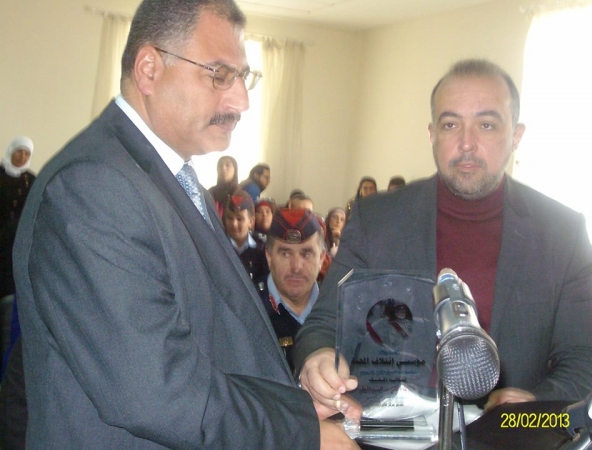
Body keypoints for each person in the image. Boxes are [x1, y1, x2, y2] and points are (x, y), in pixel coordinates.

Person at [13, 0, 359, 448]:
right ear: (149, 70)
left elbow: (217, 338)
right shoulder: (93, 186)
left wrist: (294, 405)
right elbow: (155, 389)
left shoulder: (169, 172)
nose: (242, 100)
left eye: (244, 77)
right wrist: (301, 433)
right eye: (220, 74)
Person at [294, 59, 592, 418]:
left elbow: (585, 357)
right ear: (432, 134)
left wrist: (536, 405)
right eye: (451, 124)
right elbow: (324, 325)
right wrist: (317, 359)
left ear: (516, 137)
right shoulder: (375, 219)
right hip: (384, 434)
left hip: (504, 437)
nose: (466, 143)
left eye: (486, 125)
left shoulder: (562, 233)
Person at [256, 208, 326, 373]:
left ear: (321, 259)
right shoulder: (248, 307)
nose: (296, 267)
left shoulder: (337, 308)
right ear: (269, 257)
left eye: (306, 254)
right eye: (286, 254)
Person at [0, 136, 35, 371]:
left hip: (14, 256)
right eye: (19, 152)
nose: (22, 157)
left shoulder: (31, 181)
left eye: (26, 153)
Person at [223, 189, 269, 282]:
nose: (234, 224)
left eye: (239, 219)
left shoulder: (262, 247)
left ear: (251, 222)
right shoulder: (219, 244)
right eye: (230, 218)